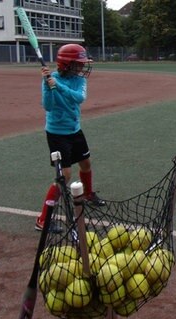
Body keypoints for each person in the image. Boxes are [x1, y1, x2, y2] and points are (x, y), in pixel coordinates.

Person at [35, 44, 105, 231]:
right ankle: (43, 220)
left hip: (75, 129)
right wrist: (48, 87)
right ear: (67, 64)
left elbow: (78, 98)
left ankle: (88, 194)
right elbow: (48, 106)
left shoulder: (79, 81)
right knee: (64, 176)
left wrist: (59, 87)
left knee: (86, 163)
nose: (82, 67)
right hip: (57, 133)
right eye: (78, 63)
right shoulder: (51, 79)